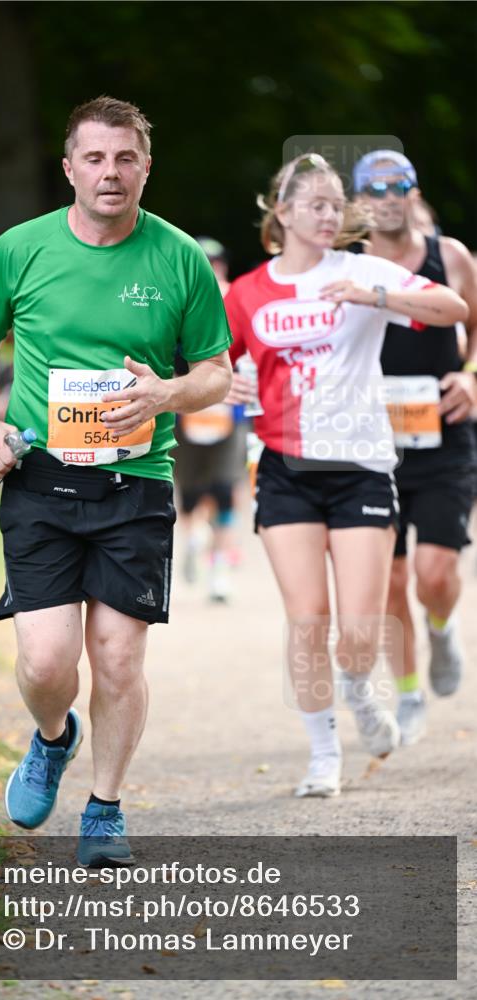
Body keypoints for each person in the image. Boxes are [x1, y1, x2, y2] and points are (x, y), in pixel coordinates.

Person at [0, 96, 232, 864]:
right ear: (71, 166)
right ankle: (52, 738)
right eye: (95, 158)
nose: (110, 173)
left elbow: (216, 372)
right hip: (41, 480)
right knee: (48, 664)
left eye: (126, 158)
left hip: (135, 482)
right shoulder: (21, 247)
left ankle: (105, 809)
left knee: (116, 657)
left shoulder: (177, 256)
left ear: (145, 166)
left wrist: (167, 393)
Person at [224, 153, 467, 798]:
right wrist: (229, 381)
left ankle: (360, 689)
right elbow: (207, 364)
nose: (330, 216)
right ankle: (323, 755)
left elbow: (451, 307)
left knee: (359, 632)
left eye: (337, 205)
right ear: (283, 213)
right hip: (285, 469)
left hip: (360, 469)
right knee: (307, 619)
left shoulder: (363, 268)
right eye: (316, 205)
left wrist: (376, 296)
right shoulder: (248, 292)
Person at [352, 150, 477, 744]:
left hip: (444, 435)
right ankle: (407, 693)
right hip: (371, 443)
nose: (386, 197)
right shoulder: (347, 265)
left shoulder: (448, 257)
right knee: (392, 579)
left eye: (396, 186)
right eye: (372, 189)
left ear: (412, 191)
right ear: (359, 202)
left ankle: (442, 625)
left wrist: (471, 374)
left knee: (434, 572)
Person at [174, 237, 249, 601]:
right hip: (184, 413)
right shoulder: (173, 300)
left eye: (215, 262)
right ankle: (191, 540)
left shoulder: (236, 300)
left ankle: (219, 569)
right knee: (188, 494)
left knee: (223, 492)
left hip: (228, 415)